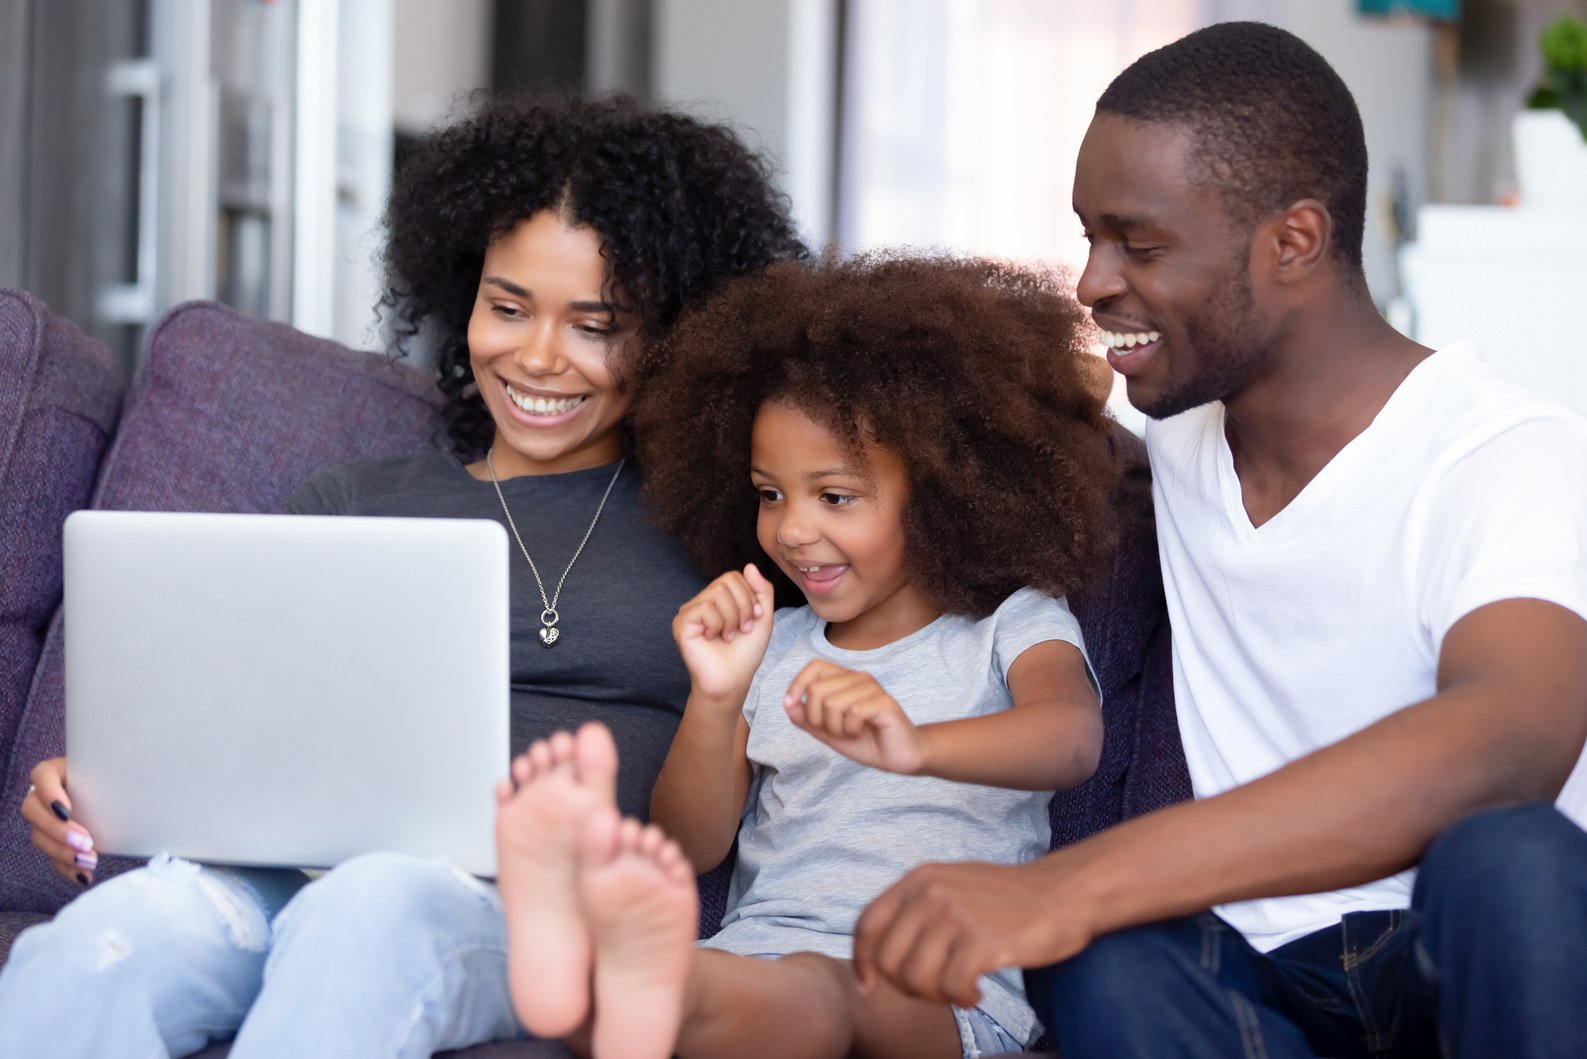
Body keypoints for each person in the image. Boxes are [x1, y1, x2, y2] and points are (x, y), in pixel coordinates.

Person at [0, 92, 807, 1059]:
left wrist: (718, 704)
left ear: (671, 338)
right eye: (508, 307)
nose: (539, 356)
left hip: (520, 908)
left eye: (595, 325)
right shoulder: (352, 500)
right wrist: (106, 785)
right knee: (94, 951)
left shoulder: (711, 535)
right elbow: (232, 722)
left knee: (369, 911)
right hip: (273, 880)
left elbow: (696, 846)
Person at [847, 21, 1587, 1058]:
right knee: (1104, 959)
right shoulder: (1178, 428)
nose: (1092, 282)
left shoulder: (1503, 453)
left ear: (1293, 242)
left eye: (1139, 245)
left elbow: (1512, 737)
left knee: (1511, 858)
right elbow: (934, 402)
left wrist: (1067, 884)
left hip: (1459, 959)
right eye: (1088, 238)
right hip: (1260, 986)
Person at [489, 252, 1119, 1059]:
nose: (791, 530)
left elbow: (1069, 739)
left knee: (823, 993)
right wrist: (716, 695)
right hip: (748, 956)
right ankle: (597, 983)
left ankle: (616, 987)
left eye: (835, 496)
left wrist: (916, 745)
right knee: (748, 987)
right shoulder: (775, 645)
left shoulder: (1009, 624)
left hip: (936, 986)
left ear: (943, 489)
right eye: (769, 492)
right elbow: (692, 846)